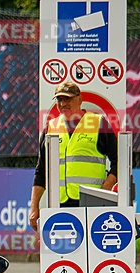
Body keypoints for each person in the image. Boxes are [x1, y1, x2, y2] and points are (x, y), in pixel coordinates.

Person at [29, 81, 118, 231]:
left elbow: (119, 161)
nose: (63, 103)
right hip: (59, 205)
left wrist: (105, 190)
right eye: (59, 99)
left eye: (68, 99)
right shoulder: (50, 128)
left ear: (80, 99)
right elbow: (41, 171)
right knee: (65, 252)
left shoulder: (98, 124)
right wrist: (34, 207)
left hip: (92, 204)